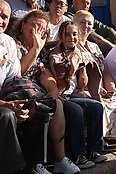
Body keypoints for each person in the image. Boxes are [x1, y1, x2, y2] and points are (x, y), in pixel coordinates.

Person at [9, 10, 81, 174]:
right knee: (42, 108)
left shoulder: (42, 50)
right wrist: (35, 48)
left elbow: (45, 74)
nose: (36, 30)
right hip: (17, 91)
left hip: (37, 92)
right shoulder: (14, 44)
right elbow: (18, 71)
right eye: (33, 25)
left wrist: (53, 90)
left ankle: (61, 159)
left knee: (60, 105)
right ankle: (35, 164)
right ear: (22, 26)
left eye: (41, 28)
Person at [49, 21, 107, 169]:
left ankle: (92, 150)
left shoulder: (78, 50)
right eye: (67, 34)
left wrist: (82, 66)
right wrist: (72, 69)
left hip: (74, 93)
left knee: (97, 107)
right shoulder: (56, 55)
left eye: (74, 34)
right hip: (61, 96)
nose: (71, 38)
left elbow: (82, 84)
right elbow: (60, 87)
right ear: (61, 36)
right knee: (76, 111)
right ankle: (77, 155)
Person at [73, 10, 116, 138]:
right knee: (100, 104)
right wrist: (97, 89)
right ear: (74, 23)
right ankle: (97, 140)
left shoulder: (94, 47)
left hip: (100, 88)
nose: (86, 26)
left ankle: (110, 136)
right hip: (81, 88)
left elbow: (105, 70)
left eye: (89, 24)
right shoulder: (72, 46)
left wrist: (110, 86)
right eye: (82, 22)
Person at [0, 0, 27, 174]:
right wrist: (5, 104)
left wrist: (19, 102)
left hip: (3, 98)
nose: (0, 21)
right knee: (6, 115)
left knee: (38, 109)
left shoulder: (8, 42)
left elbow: (13, 79)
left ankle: (35, 165)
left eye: (4, 17)